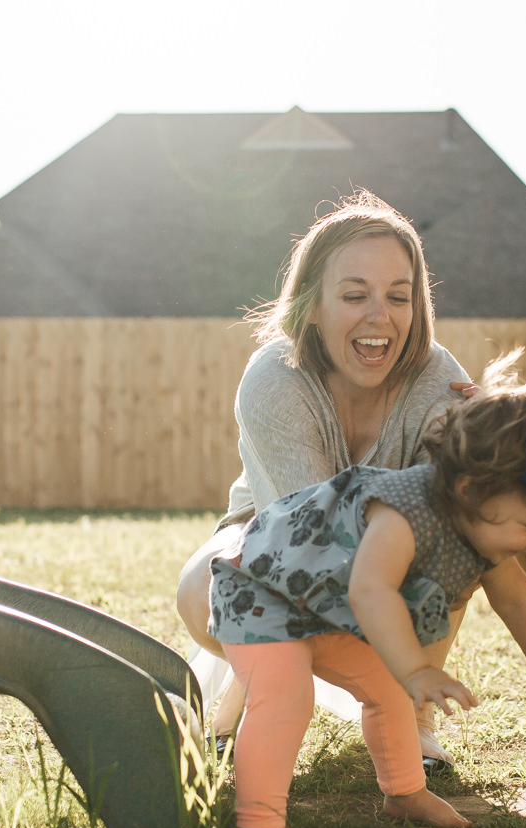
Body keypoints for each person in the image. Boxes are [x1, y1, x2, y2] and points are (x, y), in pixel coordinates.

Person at [209, 363, 526, 828]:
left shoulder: (484, 531)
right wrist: (418, 668)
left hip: (318, 606)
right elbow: (371, 591)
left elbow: (518, 601)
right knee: (287, 697)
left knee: (388, 691)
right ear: (472, 492)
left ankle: (405, 793)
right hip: (261, 589)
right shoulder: (405, 509)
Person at [176, 191, 470, 767]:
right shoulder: (274, 377)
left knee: (458, 534)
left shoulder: (439, 378)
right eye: (354, 295)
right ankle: (255, 684)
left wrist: (485, 447)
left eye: (398, 297)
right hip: (271, 539)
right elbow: (309, 541)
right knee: (199, 589)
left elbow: (470, 511)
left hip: (389, 556)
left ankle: (412, 716)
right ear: (311, 306)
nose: (379, 316)